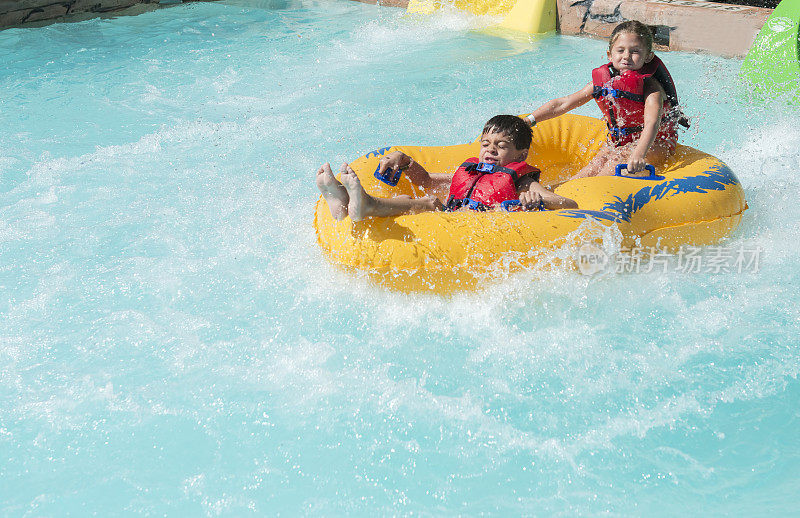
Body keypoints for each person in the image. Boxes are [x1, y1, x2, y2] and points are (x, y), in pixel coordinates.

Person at [316, 115, 577, 222]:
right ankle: (344, 201)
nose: (490, 150)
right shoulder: (473, 171)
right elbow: (428, 180)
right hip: (453, 216)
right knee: (407, 198)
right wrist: (405, 161)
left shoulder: (521, 181)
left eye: (502, 145)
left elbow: (568, 203)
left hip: (476, 228)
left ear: (521, 154)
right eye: (486, 143)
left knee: (429, 203)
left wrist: (535, 198)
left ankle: (367, 205)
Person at [524, 20, 688, 178]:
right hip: (621, 143)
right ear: (610, 55)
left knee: (610, 167)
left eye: (635, 51)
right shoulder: (605, 82)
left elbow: (652, 123)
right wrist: (530, 120)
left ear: (648, 57)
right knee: (593, 166)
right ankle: (556, 192)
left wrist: (638, 154)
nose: (626, 56)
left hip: (657, 144)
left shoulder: (652, 88)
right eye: (620, 50)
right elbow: (564, 103)